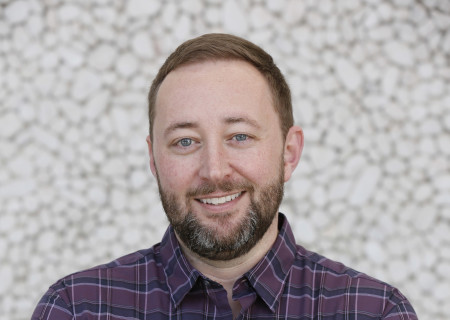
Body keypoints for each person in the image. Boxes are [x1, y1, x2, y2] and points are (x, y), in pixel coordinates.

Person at [32, 33, 418, 320]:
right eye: (185, 141)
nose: (214, 170)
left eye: (240, 137)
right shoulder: (77, 308)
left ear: (289, 152)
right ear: (153, 159)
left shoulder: (374, 311)